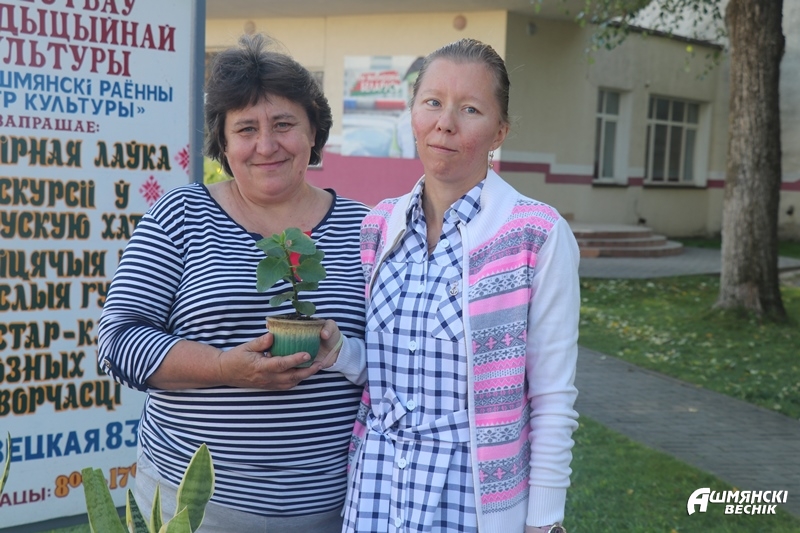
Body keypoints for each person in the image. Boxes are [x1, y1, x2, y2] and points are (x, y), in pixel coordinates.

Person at [97, 34, 367, 533]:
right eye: (245, 129)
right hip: (194, 509)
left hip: (335, 509)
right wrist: (224, 368)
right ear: (223, 143)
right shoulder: (180, 216)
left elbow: (405, 361)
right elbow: (118, 342)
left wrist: (346, 353)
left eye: (284, 124)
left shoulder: (370, 229)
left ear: (313, 130)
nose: (266, 145)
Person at [341, 38, 580, 533]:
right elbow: (388, 369)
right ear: (412, 113)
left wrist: (544, 519)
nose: (445, 123)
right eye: (432, 102)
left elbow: (553, 395)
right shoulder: (379, 226)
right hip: (376, 489)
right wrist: (337, 352)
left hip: (471, 501)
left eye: (470, 109)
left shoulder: (535, 234)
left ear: (499, 132)